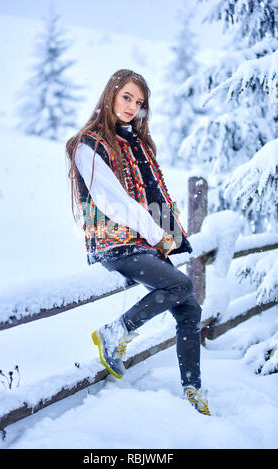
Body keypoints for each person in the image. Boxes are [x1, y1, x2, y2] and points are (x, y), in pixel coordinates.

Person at [66, 69, 210, 416]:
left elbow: (150, 193)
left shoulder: (137, 144)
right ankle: (115, 332)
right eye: (126, 97)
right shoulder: (88, 144)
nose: (132, 106)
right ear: (111, 94)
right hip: (114, 243)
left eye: (139, 102)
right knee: (180, 283)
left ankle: (193, 387)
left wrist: (165, 234)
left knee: (189, 307)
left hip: (143, 243)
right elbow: (113, 200)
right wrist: (157, 232)